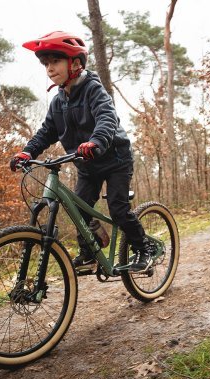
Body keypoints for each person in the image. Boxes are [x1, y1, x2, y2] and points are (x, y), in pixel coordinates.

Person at [9, 31, 151, 273]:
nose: (49, 68)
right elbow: (47, 132)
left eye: (55, 61)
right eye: (46, 63)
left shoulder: (93, 89)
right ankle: (89, 254)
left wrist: (96, 142)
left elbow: (107, 117)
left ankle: (143, 249)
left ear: (75, 63)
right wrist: (27, 152)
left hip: (114, 158)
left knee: (118, 209)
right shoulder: (58, 101)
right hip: (86, 165)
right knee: (79, 208)